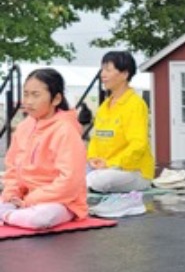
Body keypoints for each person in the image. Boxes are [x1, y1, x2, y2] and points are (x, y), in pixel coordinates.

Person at [0, 69, 88, 229]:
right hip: (24, 198)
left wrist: (30, 200)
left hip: (61, 201)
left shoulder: (65, 130)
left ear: (56, 99)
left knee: (41, 218)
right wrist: (11, 194)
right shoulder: (24, 127)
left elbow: (69, 182)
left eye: (35, 95)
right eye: (26, 94)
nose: (28, 101)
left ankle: (7, 215)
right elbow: (12, 168)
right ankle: (13, 214)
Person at [86, 51, 154, 193]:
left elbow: (138, 144)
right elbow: (95, 139)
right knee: (72, 171)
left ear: (124, 74)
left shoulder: (135, 104)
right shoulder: (104, 106)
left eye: (108, 70)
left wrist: (111, 164)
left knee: (98, 180)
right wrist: (93, 159)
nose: (103, 74)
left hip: (133, 171)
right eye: (102, 69)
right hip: (103, 168)